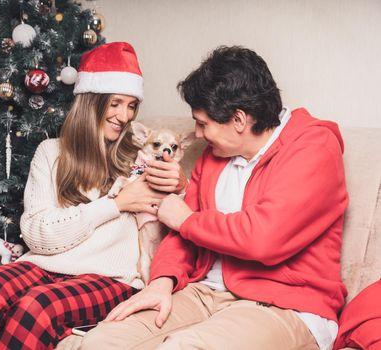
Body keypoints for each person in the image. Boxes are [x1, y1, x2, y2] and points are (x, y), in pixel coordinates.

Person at [80, 46, 349, 350]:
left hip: (284, 304)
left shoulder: (313, 148)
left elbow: (262, 238)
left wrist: (186, 219)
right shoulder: (215, 156)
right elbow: (182, 239)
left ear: (238, 120)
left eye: (203, 123)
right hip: (203, 292)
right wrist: (161, 282)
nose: (197, 133)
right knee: (100, 341)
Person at [0, 42, 188, 350]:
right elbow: (36, 233)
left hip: (112, 277)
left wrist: (180, 184)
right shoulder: (51, 153)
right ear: (92, 101)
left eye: (131, 106)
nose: (124, 116)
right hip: (45, 264)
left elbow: (184, 213)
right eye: (115, 103)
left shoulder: (139, 158)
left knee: (35, 309)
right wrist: (116, 205)